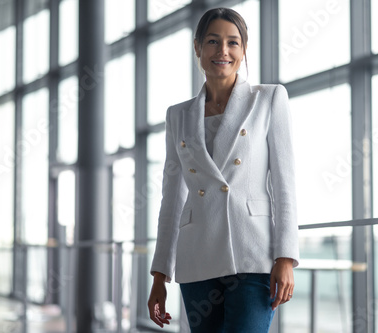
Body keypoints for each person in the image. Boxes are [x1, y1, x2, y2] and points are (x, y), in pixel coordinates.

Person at [147, 7, 299, 332]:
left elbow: (285, 185)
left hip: (254, 255)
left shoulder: (269, 99)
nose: (223, 51)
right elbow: (171, 201)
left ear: (244, 50)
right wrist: (160, 275)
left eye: (233, 42)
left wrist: (286, 257)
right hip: (197, 260)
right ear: (197, 48)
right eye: (213, 41)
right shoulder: (178, 116)